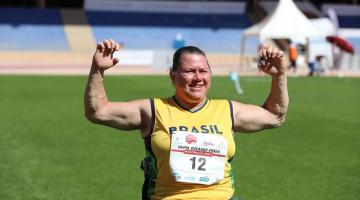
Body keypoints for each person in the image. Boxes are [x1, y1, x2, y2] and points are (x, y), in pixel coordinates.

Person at [84, 39, 289, 200]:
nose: (198, 77)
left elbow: (275, 116)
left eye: (203, 71)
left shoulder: (228, 110)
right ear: (173, 76)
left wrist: (279, 74)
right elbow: (98, 111)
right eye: (190, 71)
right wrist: (98, 69)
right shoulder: (154, 109)